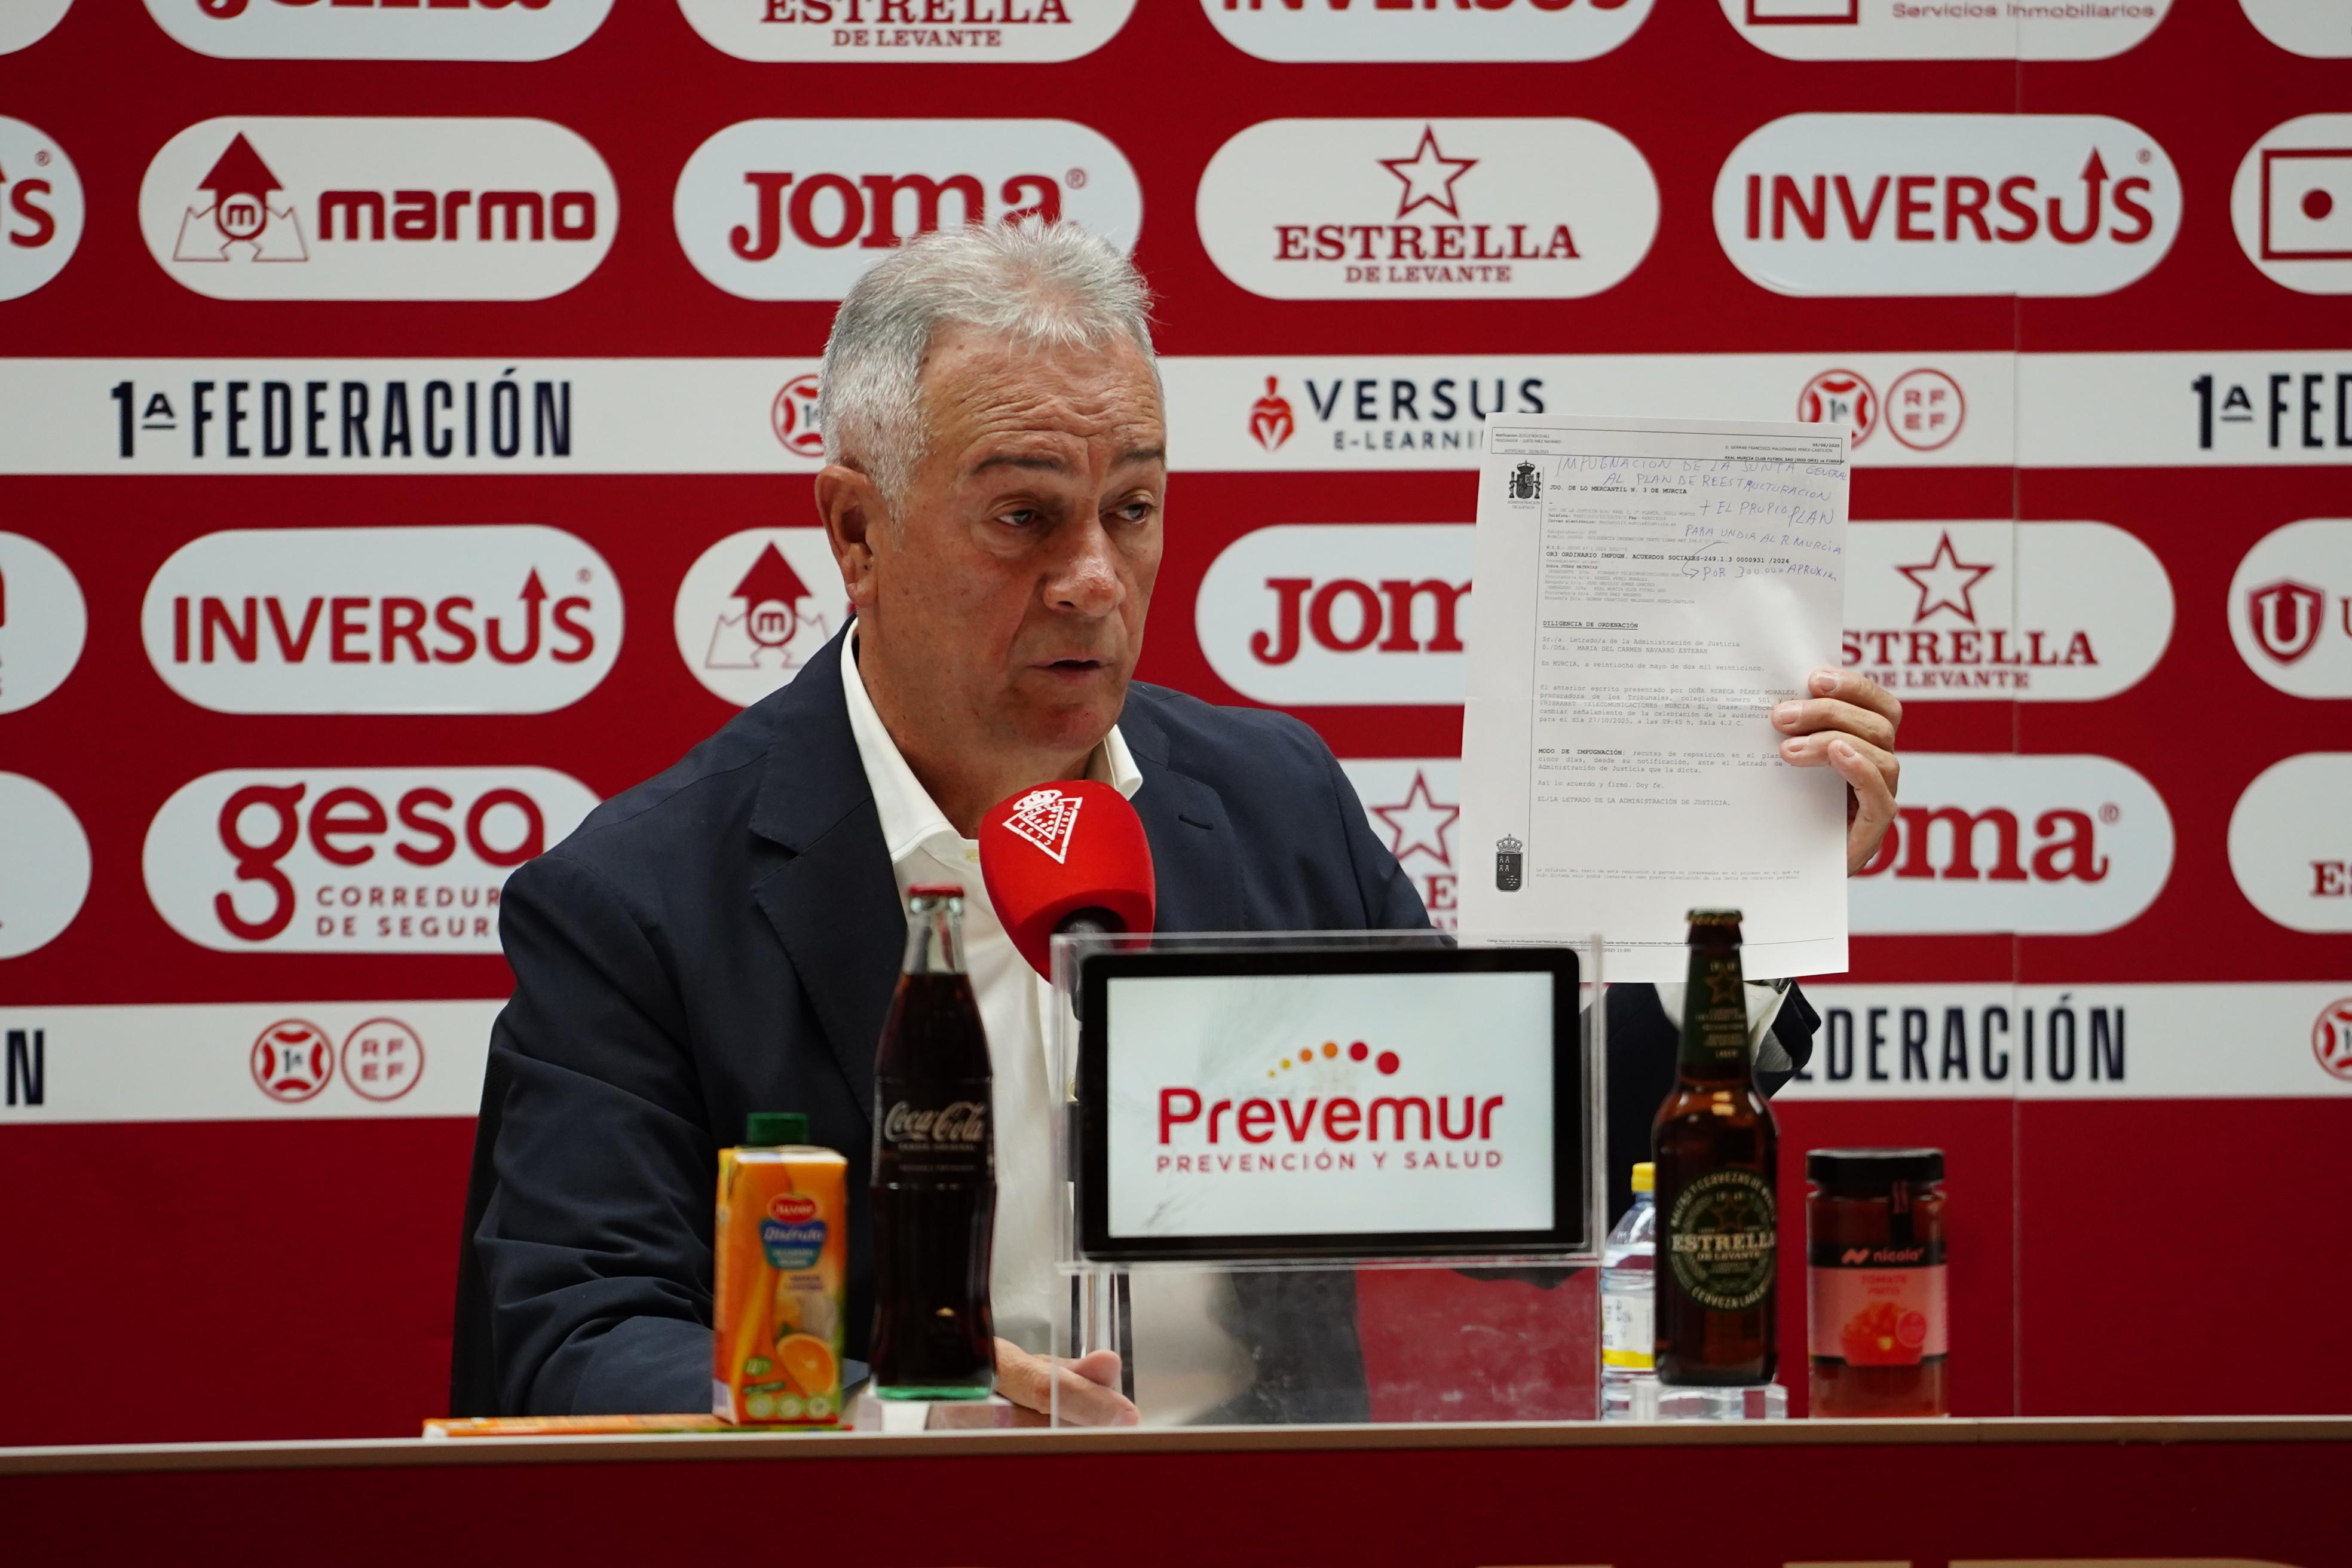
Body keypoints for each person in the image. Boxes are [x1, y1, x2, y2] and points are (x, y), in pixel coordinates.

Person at [452, 223, 1904, 1425]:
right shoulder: (640, 903)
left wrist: (1750, 904)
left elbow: (1510, 1170)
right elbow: (569, 1339)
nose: (1094, 577)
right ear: (856, 532)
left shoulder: (1270, 804)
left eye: (1133, 508)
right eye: (1026, 518)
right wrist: (899, 1405)